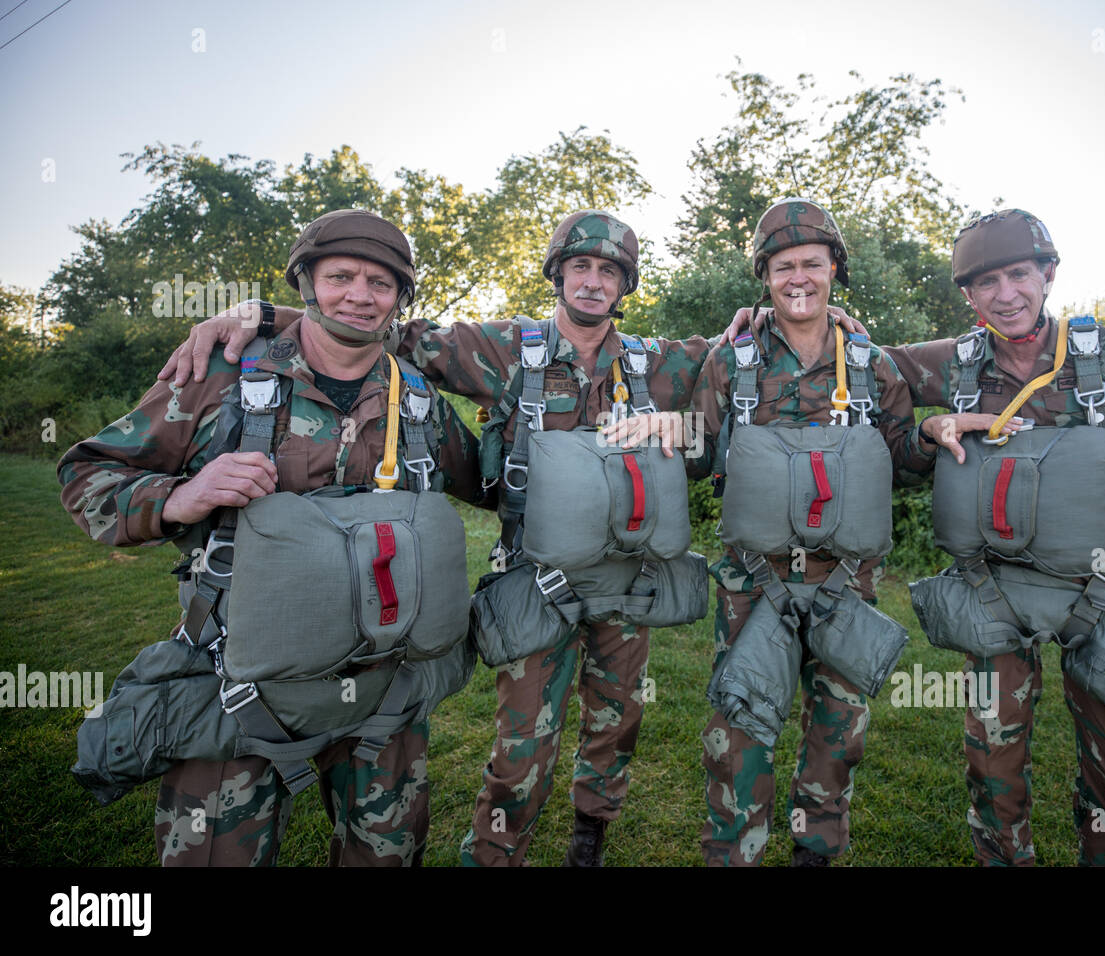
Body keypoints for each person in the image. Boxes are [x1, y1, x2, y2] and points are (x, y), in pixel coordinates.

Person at [160, 210, 717, 867]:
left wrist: (780, 321)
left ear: (625, 286)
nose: (594, 282)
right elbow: (380, 329)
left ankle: (591, 829)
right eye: (582, 267)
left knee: (618, 721)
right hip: (538, 583)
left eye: (610, 272)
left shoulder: (660, 364)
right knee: (524, 737)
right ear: (558, 273)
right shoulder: (507, 349)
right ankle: (495, 853)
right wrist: (259, 318)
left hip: (627, 580)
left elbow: (743, 356)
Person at [59, 209, 488, 866]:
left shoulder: (419, 399)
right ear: (307, 281)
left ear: (401, 298)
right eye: (341, 275)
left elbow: (495, 484)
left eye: (381, 283)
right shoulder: (222, 375)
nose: (360, 295)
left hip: (383, 690)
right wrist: (178, 497)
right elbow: (86, 471)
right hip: (239, 689)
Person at [616, 199, 944, 865]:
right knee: (740, 727)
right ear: (765, 277)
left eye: (813, 265)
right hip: (751, 584)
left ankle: (815, 851)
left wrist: (933, 437)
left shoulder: (873, 366)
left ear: (834, 272)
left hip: (846, 580)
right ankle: (732, 852)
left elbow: (901, 466)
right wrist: (665, 429)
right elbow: (703, 451)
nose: (799, 278)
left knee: (837, 730)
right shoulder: (731, 362)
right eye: (784, 266)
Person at [887, 208, 1105, 865]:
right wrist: (776, 317)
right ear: (968, 296)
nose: (1005, 294)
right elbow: (854, 359)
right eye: (985, 283)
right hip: (998, 590)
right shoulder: (954, 362)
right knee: (993, 762)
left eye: (1017, 275)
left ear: (1049, 275)